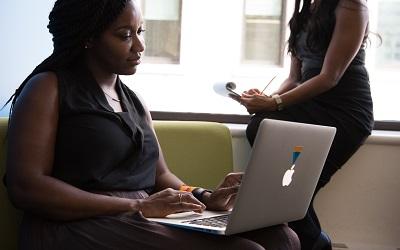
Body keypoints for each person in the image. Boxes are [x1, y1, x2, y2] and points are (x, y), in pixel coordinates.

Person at [4, 0, 301, 249]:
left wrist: (204, 196)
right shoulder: (48, 88)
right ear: (88, 37)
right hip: (75, 223)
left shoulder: (134, 101)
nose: (140, 46)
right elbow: (27, 187)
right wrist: (135, 206)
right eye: (124, 35)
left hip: (142, 215)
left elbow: (162, 176)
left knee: (281, 237)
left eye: (140, 31)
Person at [239, 0, 373, 250]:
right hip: (311, 104)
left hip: (344, 112)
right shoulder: (304, 11)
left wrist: (274, 103)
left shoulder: (352, 6)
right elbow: (294, 78)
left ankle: (316, 243)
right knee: (261, 129)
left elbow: (329, 77)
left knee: (292, 193)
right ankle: (316, 243)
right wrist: (266, 100)